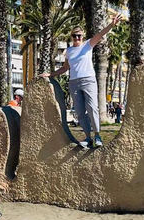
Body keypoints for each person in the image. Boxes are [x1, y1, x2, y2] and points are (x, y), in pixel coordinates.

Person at [43, 13, 121, 148]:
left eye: (79, 36)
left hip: (88, 81)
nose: (77, 38)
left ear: (82, 37)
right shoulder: (69, 51)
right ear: (71, 37)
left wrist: (111, 24)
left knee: (92, 108)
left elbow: (100, 34)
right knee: (80, 111)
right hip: (74, 83)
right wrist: (50, 74)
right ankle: (87, 137)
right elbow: (65, 68)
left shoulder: (87, 45)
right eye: (74, 36)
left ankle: (97, 135)